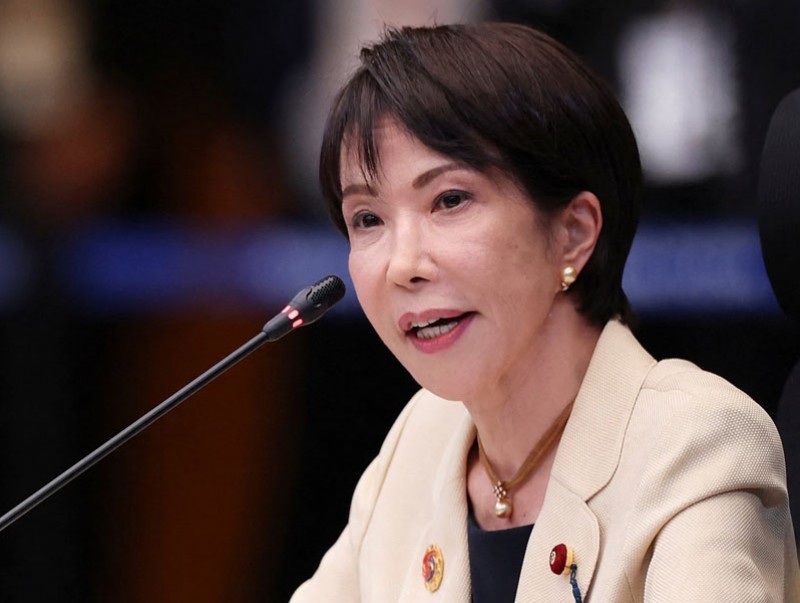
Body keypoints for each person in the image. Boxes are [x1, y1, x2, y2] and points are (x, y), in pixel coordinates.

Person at [290, 22, 800, 602]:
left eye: (449, 200)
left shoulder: (695, 446)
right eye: (367, 219)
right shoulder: (423, 439)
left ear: (572, 233)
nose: (402, 265)